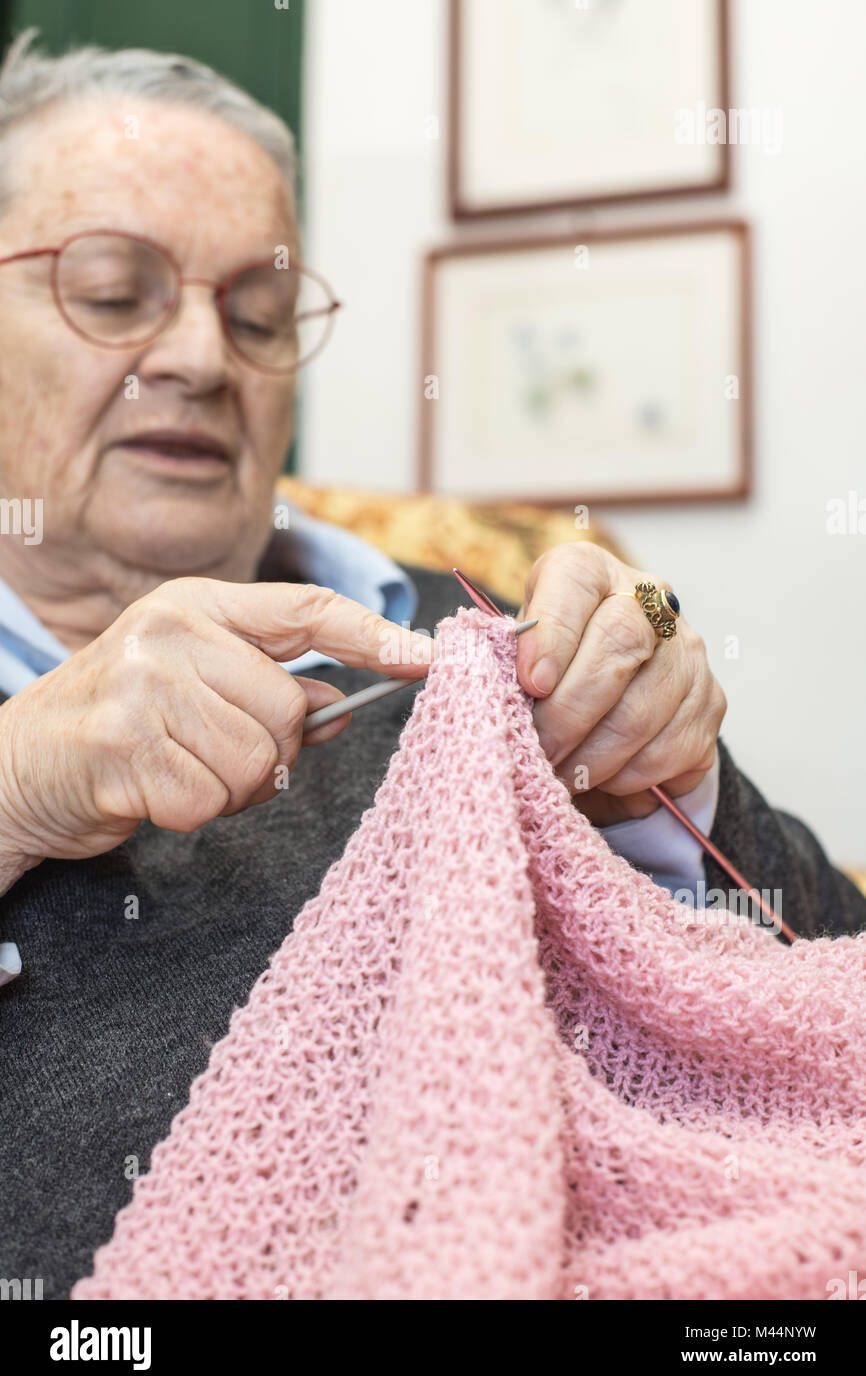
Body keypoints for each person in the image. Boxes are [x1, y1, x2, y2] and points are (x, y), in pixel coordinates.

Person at [0, 31, 862, 1300]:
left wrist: (680, 792)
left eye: (255, 310)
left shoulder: (500, 654)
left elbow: (814, 1020)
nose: (198, 359)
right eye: (114, 292)